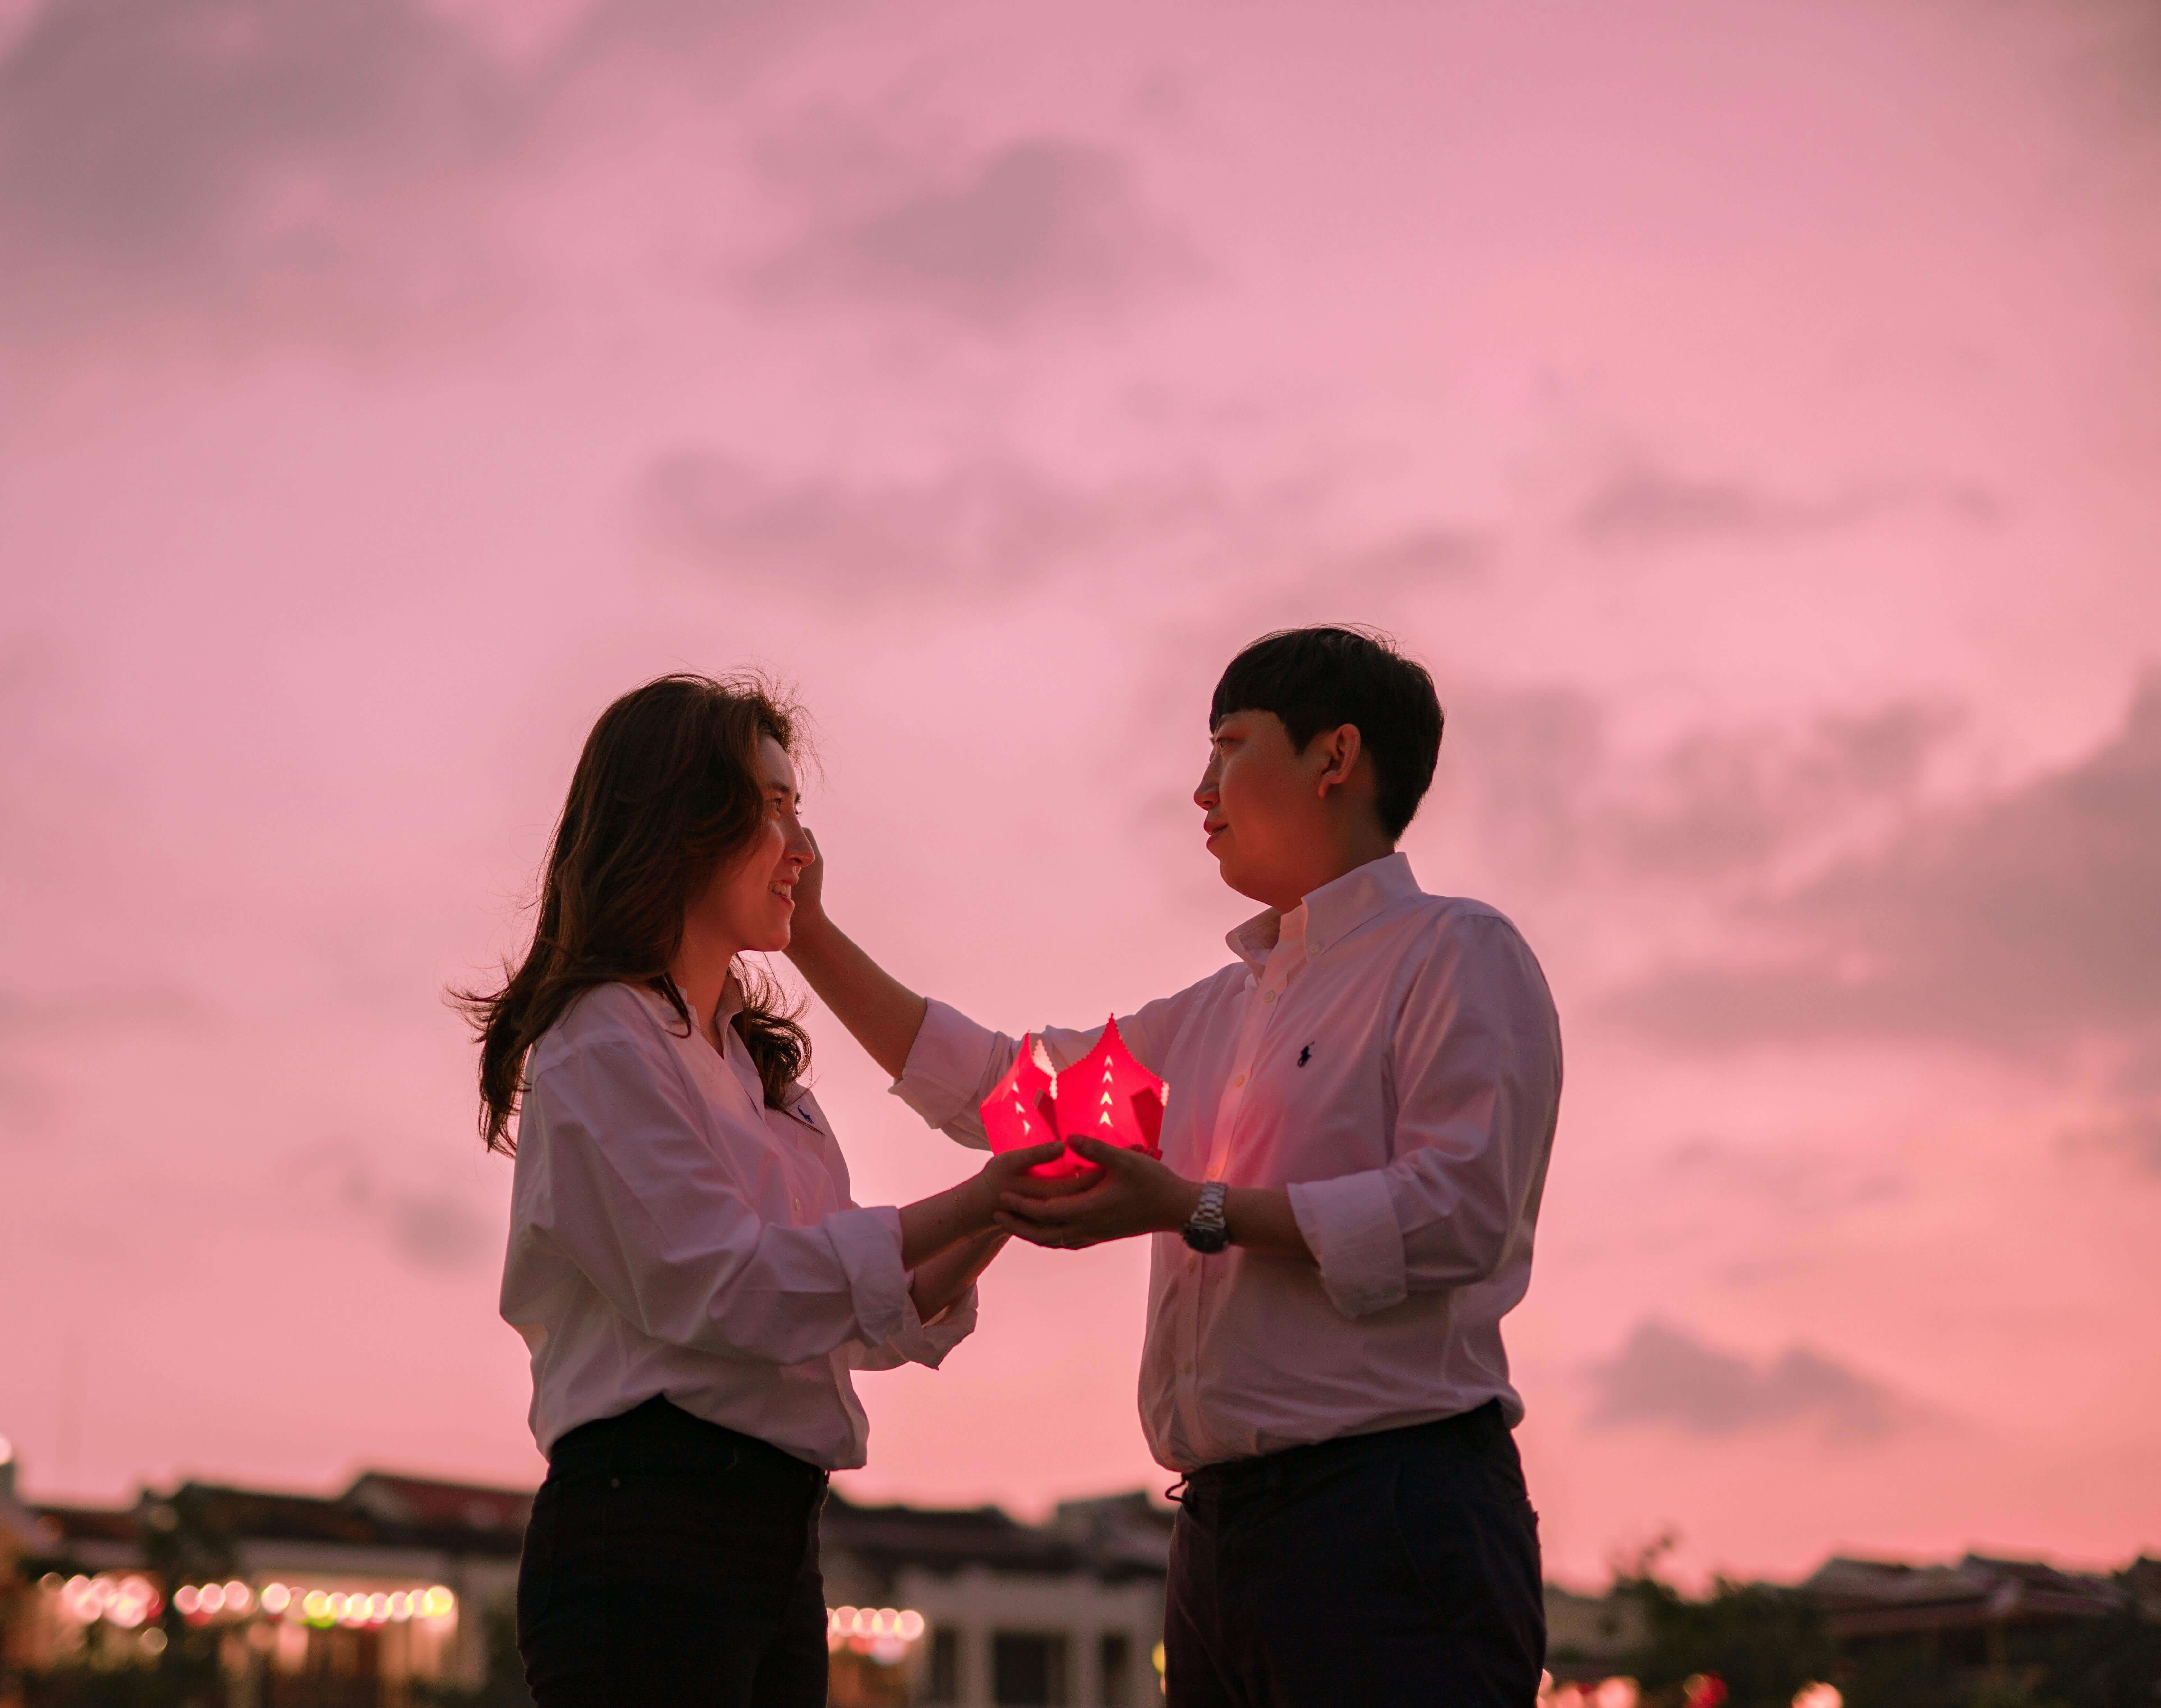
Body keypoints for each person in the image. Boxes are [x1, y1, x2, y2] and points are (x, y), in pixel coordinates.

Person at [785, 627, 1562, 1706]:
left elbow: (1459, 1215)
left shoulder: (1456, 953)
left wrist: (1199, 1208)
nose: (1200, 791)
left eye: (1229, 747)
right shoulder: (1210, 1017)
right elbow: (1002, 1094)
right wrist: (807, 934)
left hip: (1393, 1515)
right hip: (1214, 1540)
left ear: (1335, 759)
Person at [463, 673, 1068, 1708]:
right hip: (648, 1532)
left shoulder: (754, 1067)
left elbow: (850, 1308)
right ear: (682, 823)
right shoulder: (601, 1041)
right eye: (775, 807)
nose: (806, 851)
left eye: (801, 809)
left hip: (774, 1544)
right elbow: (729, 1288)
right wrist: (981, 1197)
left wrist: (1016, 1200)